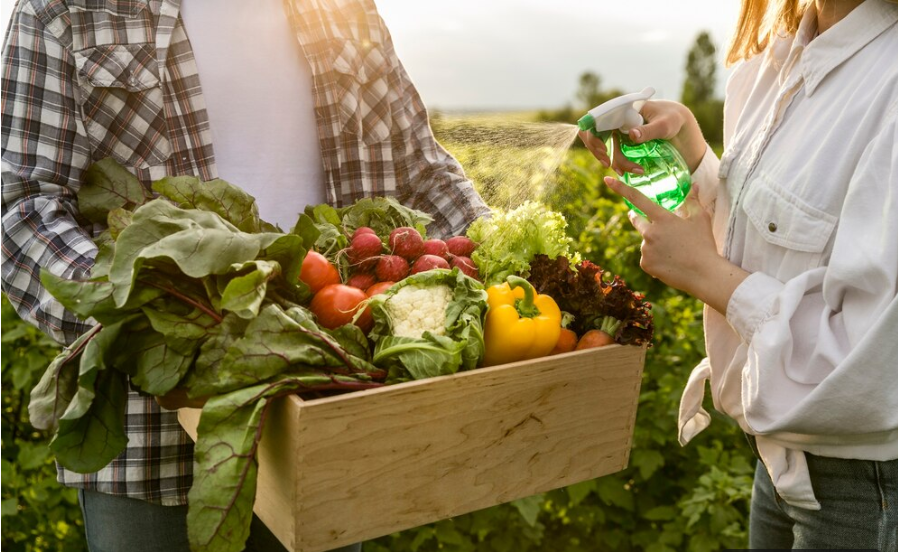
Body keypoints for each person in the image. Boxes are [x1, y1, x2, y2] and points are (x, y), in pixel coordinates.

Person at [0, 0, 490, 550]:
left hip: (328, 412)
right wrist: (149, 319)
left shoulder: (346, 10)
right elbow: (23, 206)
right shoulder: (67, 9)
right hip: (153, 439)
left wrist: (505, 255)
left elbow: (422, 172)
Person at [580, 0, 897, 548]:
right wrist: (696, 160)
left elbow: (876, 362)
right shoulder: (772, 66)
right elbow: (782, 242)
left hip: (863, 492)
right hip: (778, 468)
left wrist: (706, 274)